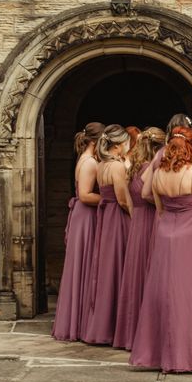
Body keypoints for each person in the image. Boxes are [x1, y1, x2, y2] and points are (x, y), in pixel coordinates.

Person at [130, 126, 192, 373]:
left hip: (164, 232)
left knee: (162, 290)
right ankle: (189, 355)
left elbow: (156, 205)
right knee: (189, 293)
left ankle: (160, 353)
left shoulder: (157, 173)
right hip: (191, 235)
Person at [113, 127, 165, 350]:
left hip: (137, 223)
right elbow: (153, 197)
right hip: (152, 221)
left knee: (135, 276)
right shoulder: (150, 168)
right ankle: (148, 336)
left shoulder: (132, 167)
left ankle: (129, 334)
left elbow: (129, 202)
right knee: (149, 276)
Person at [52, 122, 105, 341]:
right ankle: (80, 324)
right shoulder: (90, 162)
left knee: (83, 265)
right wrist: (107, 199)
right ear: (95, 141)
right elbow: (84, 194)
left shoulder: (84, 159)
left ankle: (80, 322)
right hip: (86, 216)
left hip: (83, 215)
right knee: (84, 265)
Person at [82, 124, 132, 345]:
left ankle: (102, 324)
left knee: (105, 266)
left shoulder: (101, 164)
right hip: (117, 217)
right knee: (117, 266)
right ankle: (114, 327)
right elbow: (122, 199)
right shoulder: (116, 167)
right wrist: (136, 216)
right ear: (120, 144)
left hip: (105, 215)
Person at [141, 114, 192, 203]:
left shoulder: (159, 154)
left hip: (164, 214)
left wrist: (165, 205)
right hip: (188, 213)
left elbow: (145, 194)